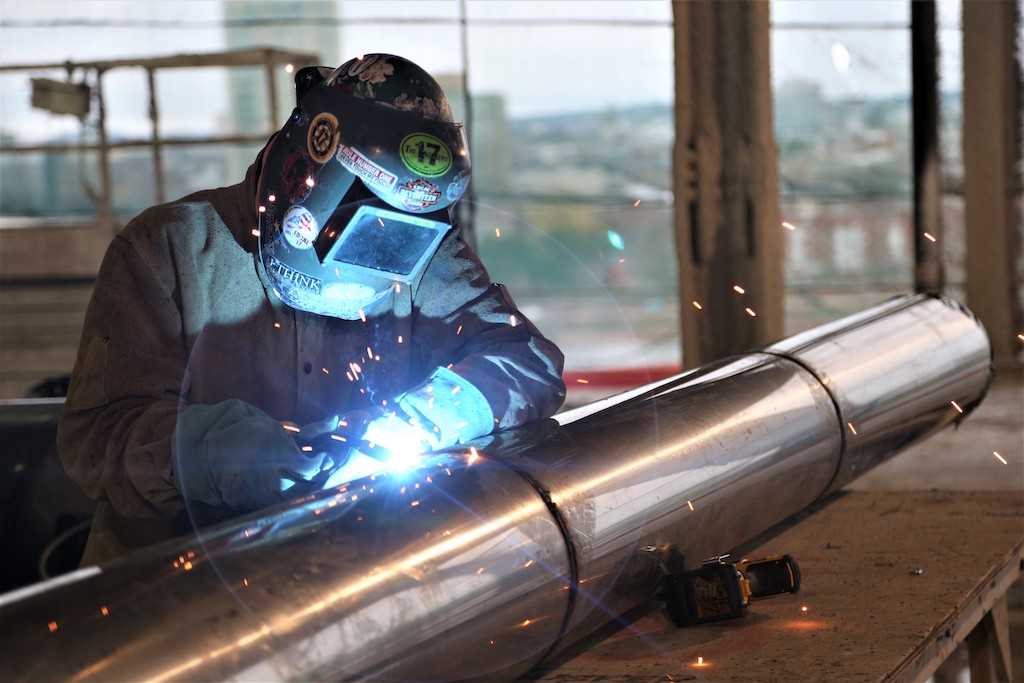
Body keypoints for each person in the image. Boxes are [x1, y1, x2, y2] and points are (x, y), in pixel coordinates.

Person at [57, 54, 566, 566]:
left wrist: (415, 424)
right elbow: (95, 439)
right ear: (303, 175)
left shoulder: (427, 250)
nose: (381, 254)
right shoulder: (168, 247)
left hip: (348, 572)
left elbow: (527, 361)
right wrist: (221, 453)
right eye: (364, 229)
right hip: (180, 581)